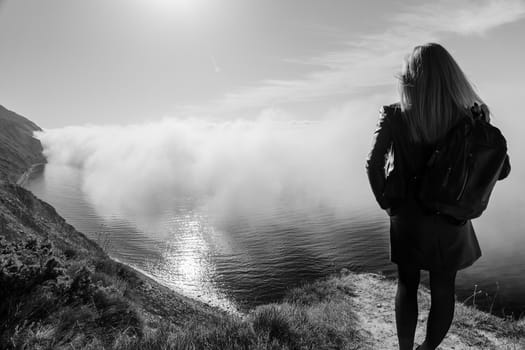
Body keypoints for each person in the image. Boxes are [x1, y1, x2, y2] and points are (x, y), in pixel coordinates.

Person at [365, 43, 510, 350]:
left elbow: (373, 164)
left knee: (407, 284)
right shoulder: (469, 119)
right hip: (451, 216)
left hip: (407, 218)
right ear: (450, 76)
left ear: (409, 79)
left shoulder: (395, 116)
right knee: (443, 290)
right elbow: (502, 169)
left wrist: (387, 203)